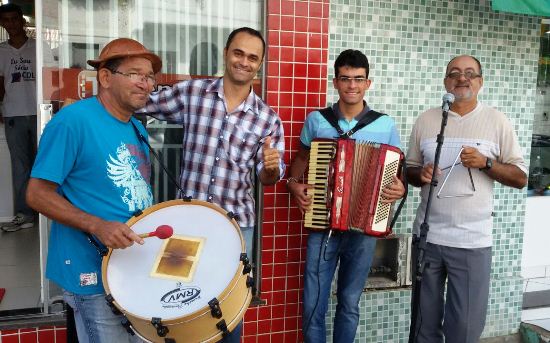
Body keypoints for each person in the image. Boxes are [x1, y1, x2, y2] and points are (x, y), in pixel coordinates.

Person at [141, 26, 284, 343]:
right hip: (187, 222)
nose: (243, 62)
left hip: (236, 227)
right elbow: (141, 102)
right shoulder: (193, 93)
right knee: (178, 303)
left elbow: (267, 176)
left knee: (228, 313)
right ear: (226, 54)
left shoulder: (267, 119)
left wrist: (272, 169)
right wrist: (92, 104)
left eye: (252, 57)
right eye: (238, 53)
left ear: (259, 64)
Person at [26, 38, 161, 342]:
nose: (146, 83)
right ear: (105, 77)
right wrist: (97, 224)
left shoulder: (136, 127)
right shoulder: (72, 122)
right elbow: (36, 194)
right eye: (136, 74)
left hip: (132, 265)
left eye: (150, 76)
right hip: (91, 271)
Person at [406, 55, 527, 343]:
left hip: (472, 243)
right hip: (428, 238)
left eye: (470, 74)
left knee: (465, 329)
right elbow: (407, 170)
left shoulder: (497, 121)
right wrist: (420, 173)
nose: (463, 78)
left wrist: (486, 163)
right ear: (446, 81)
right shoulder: (427, 119)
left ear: (480, 82)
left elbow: (521, 177)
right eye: (455, 73)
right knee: (423, 327)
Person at [287, 49, 405, 343]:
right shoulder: (317, 120)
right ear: (335, 82)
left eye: (358, 79)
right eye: (345, 79)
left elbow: (397, 169)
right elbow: (302, 156)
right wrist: (292, 183)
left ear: (368, 83)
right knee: (313, 304)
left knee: (349, 303)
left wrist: (400, 187)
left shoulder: (385, 124)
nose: (351, 85)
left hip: (362, 229)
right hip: (322, 224)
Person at [0, 3, 40, 231]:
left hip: (39, 111)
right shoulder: (1, 50)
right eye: (6, 20)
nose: (12, 24)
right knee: (20, 166)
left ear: (23, 21)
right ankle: (25, 214)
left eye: (15, 19)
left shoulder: (38, 48)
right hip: (13, 112)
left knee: (45, 163)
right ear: (2, 24)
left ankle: (48, 213)